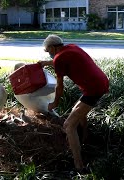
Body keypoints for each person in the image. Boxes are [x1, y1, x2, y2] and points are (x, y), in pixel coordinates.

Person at [38, 34, 109, 171]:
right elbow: (60, 61)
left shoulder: (59, 58)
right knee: (77, 111)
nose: (49, 55)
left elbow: (59, 86)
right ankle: (85, 139)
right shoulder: (71, 47)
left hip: (93, 89)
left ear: (52, 48)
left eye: (48, 52)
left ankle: (79, 166)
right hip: (99, 82)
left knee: (69, 125)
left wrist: (55, 103)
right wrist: (45, 63)